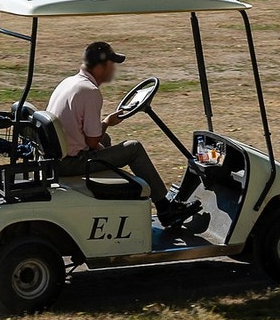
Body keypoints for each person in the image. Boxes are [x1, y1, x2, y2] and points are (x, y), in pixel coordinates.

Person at [46, 41, 201, 228]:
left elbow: (88, 133)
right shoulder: (90, 91)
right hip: (70, 163)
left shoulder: (70, 82)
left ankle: (119, 195)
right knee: (133, 148)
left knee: (107, 138)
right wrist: (101, 148)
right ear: (101, 67)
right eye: (112, 64)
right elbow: (92, 140)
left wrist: (107, 123)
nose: (114, 69)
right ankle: (165, 209)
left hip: (57, 155)